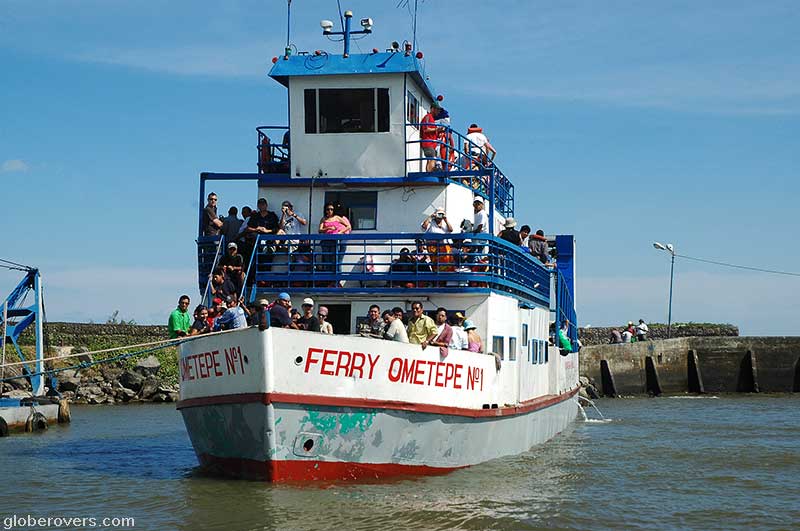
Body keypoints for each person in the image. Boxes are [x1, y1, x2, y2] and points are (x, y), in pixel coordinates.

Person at [318, 202, 351, 273]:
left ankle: (335, 281)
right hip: (326, 241)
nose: (330, 211)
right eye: (328, 209)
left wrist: (340, 232)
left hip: (335, 241)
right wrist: (327, 228)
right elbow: (320, 230)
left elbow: (348, 226)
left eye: (331, 209)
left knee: (335, 260)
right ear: (325, 210)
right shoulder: (323, 219)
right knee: (327, 261)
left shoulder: (337, 218)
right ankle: (328, 281)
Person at [421, 207, 454, 272]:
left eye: (442, 214)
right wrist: (430, 217)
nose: (440, 216)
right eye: (439, 214)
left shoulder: (444, 223)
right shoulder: (431, 223)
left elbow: (451, 230)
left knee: (447, 264)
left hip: (444, 247)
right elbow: (424, 227)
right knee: (436, 266)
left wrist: (446, 219)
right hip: (433, 248)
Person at [420, 102, 440, 172]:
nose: (438, 111)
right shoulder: (428, 117)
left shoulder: (432, 119)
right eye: (437, 109)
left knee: (431, 159)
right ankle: (430, 172)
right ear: (432, 109)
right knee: (431, 158)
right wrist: (437, 129)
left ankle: (429, 172)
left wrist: (438, 131)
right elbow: (426, 129)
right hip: (428, 142)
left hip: (431, 143)